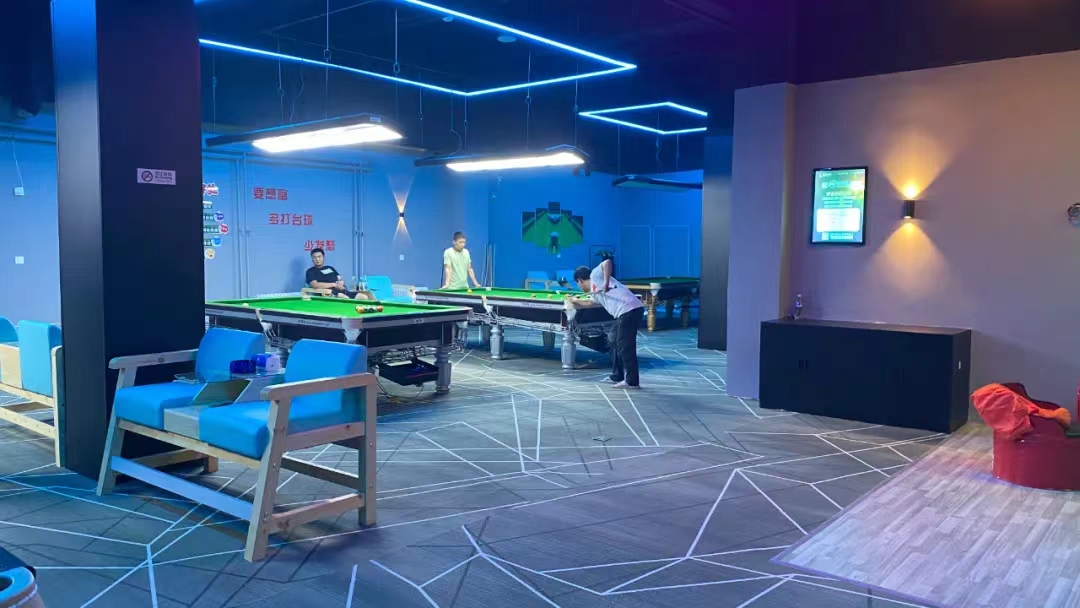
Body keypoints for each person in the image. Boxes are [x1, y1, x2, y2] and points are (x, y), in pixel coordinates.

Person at [569, 260, 644, 389]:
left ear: (579, 281)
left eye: (577, 284)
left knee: (625, 347)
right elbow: (591, 303)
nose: (579, 287)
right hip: (625, 313)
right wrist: (575, 301)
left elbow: (607, 263)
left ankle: (632, 382)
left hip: (629, 310)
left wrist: (606, 282)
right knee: (613, 342)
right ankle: (617, 376)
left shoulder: (595, 276)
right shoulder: (594, 292)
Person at [305, 248, 370, 300]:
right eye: (314, 257)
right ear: (312, 259)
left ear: (323, 257)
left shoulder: (330, 268)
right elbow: (315, 285)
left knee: (364, 297)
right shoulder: (310, 271)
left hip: (342, 291)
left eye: (319, 257)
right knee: (344, 298)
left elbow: (340, 279)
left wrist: (341, 282)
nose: (317, 259)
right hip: (328, 294)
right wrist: (334, 285)